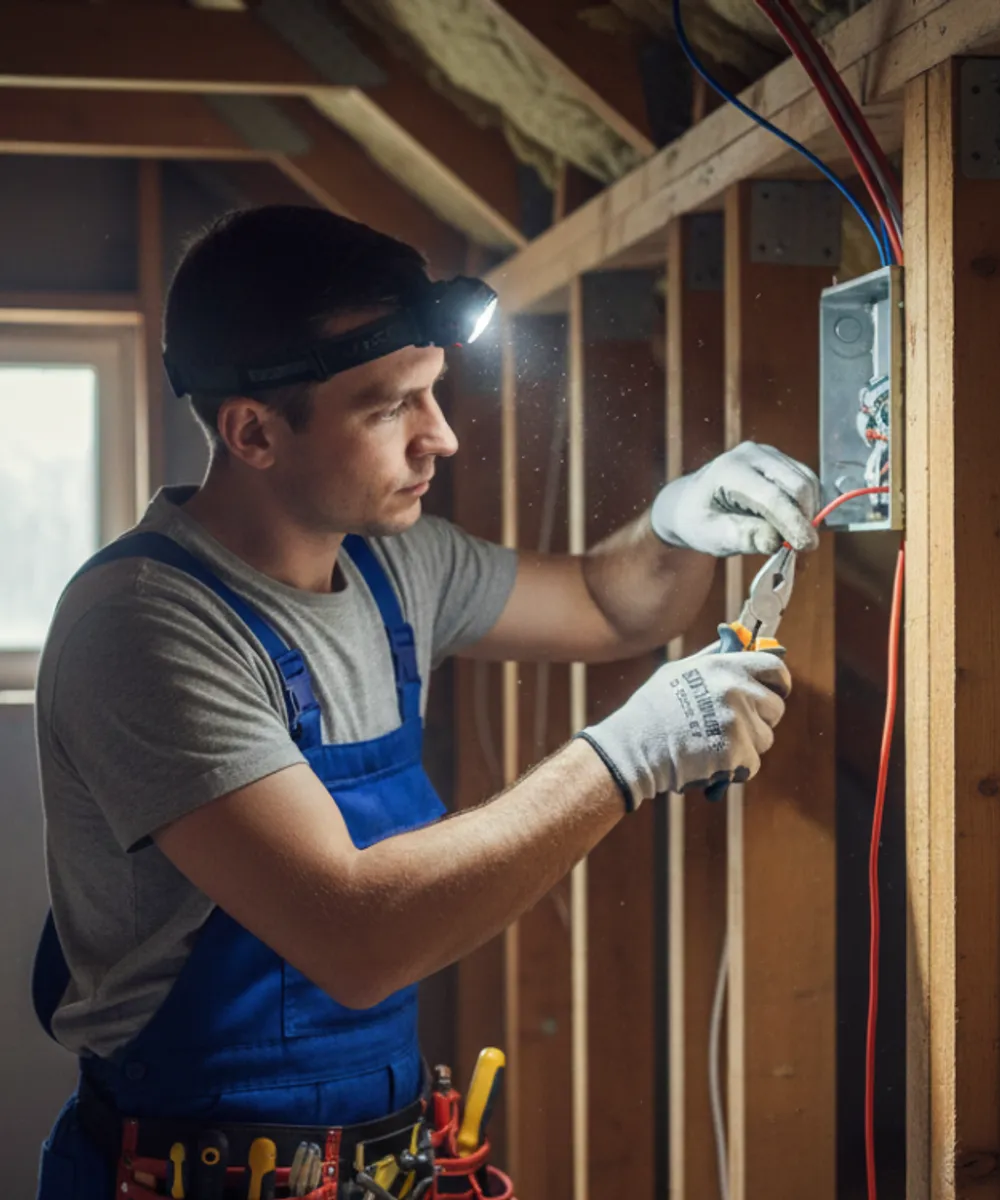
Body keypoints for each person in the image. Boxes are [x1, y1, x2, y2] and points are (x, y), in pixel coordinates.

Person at [32, 206, 820, 1200]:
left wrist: (678, 523)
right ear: (252, 431)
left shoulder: (391, 565)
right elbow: (353, 937)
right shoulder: (148, 626)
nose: (440, 437)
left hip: (378, 1163)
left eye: (434, 393)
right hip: (191, 1172)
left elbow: (606, 602)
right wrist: (626, 756)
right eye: (389, 406)